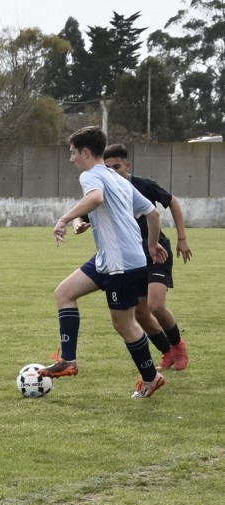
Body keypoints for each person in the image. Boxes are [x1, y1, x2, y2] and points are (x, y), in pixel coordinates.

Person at [40, 126, 168, 398]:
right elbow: (153, 213)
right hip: (111, 258)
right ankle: (68, 361)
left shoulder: (90, 176)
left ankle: (151, 378)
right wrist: (152, 244)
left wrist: (63, 219)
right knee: (64, 293)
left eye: (73, 153)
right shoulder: (118, 178)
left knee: (125, 324)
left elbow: (95, 198)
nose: (71, 159)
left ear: (85, 152)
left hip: (120, 263)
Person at [102, 143, 191, 370]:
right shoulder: (105, 191)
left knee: (155, 305)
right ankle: (167, 352)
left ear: (127, 166)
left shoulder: (143, 186)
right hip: (133, 258)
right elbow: (85, 212)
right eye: (108, 168)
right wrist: (78, 223)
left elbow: (173, 202)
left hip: (157, 252)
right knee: (140, 313)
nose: (113, 172)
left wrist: (182, 238)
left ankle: (179, 346)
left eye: (117, 167)